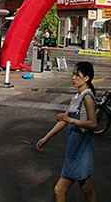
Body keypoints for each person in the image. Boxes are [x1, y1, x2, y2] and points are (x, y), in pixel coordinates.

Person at [36, 61, 97, 202]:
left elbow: (93, 123)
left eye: (77, 75)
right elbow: (65, 119)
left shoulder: (87, 97)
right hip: (74, 148)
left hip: (81, 149)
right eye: (73, 74)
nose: (73, 78)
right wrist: (46, 137)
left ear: (86, 78)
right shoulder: (76, 96)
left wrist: (71, 120)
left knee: (59, 190)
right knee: (86, 189)